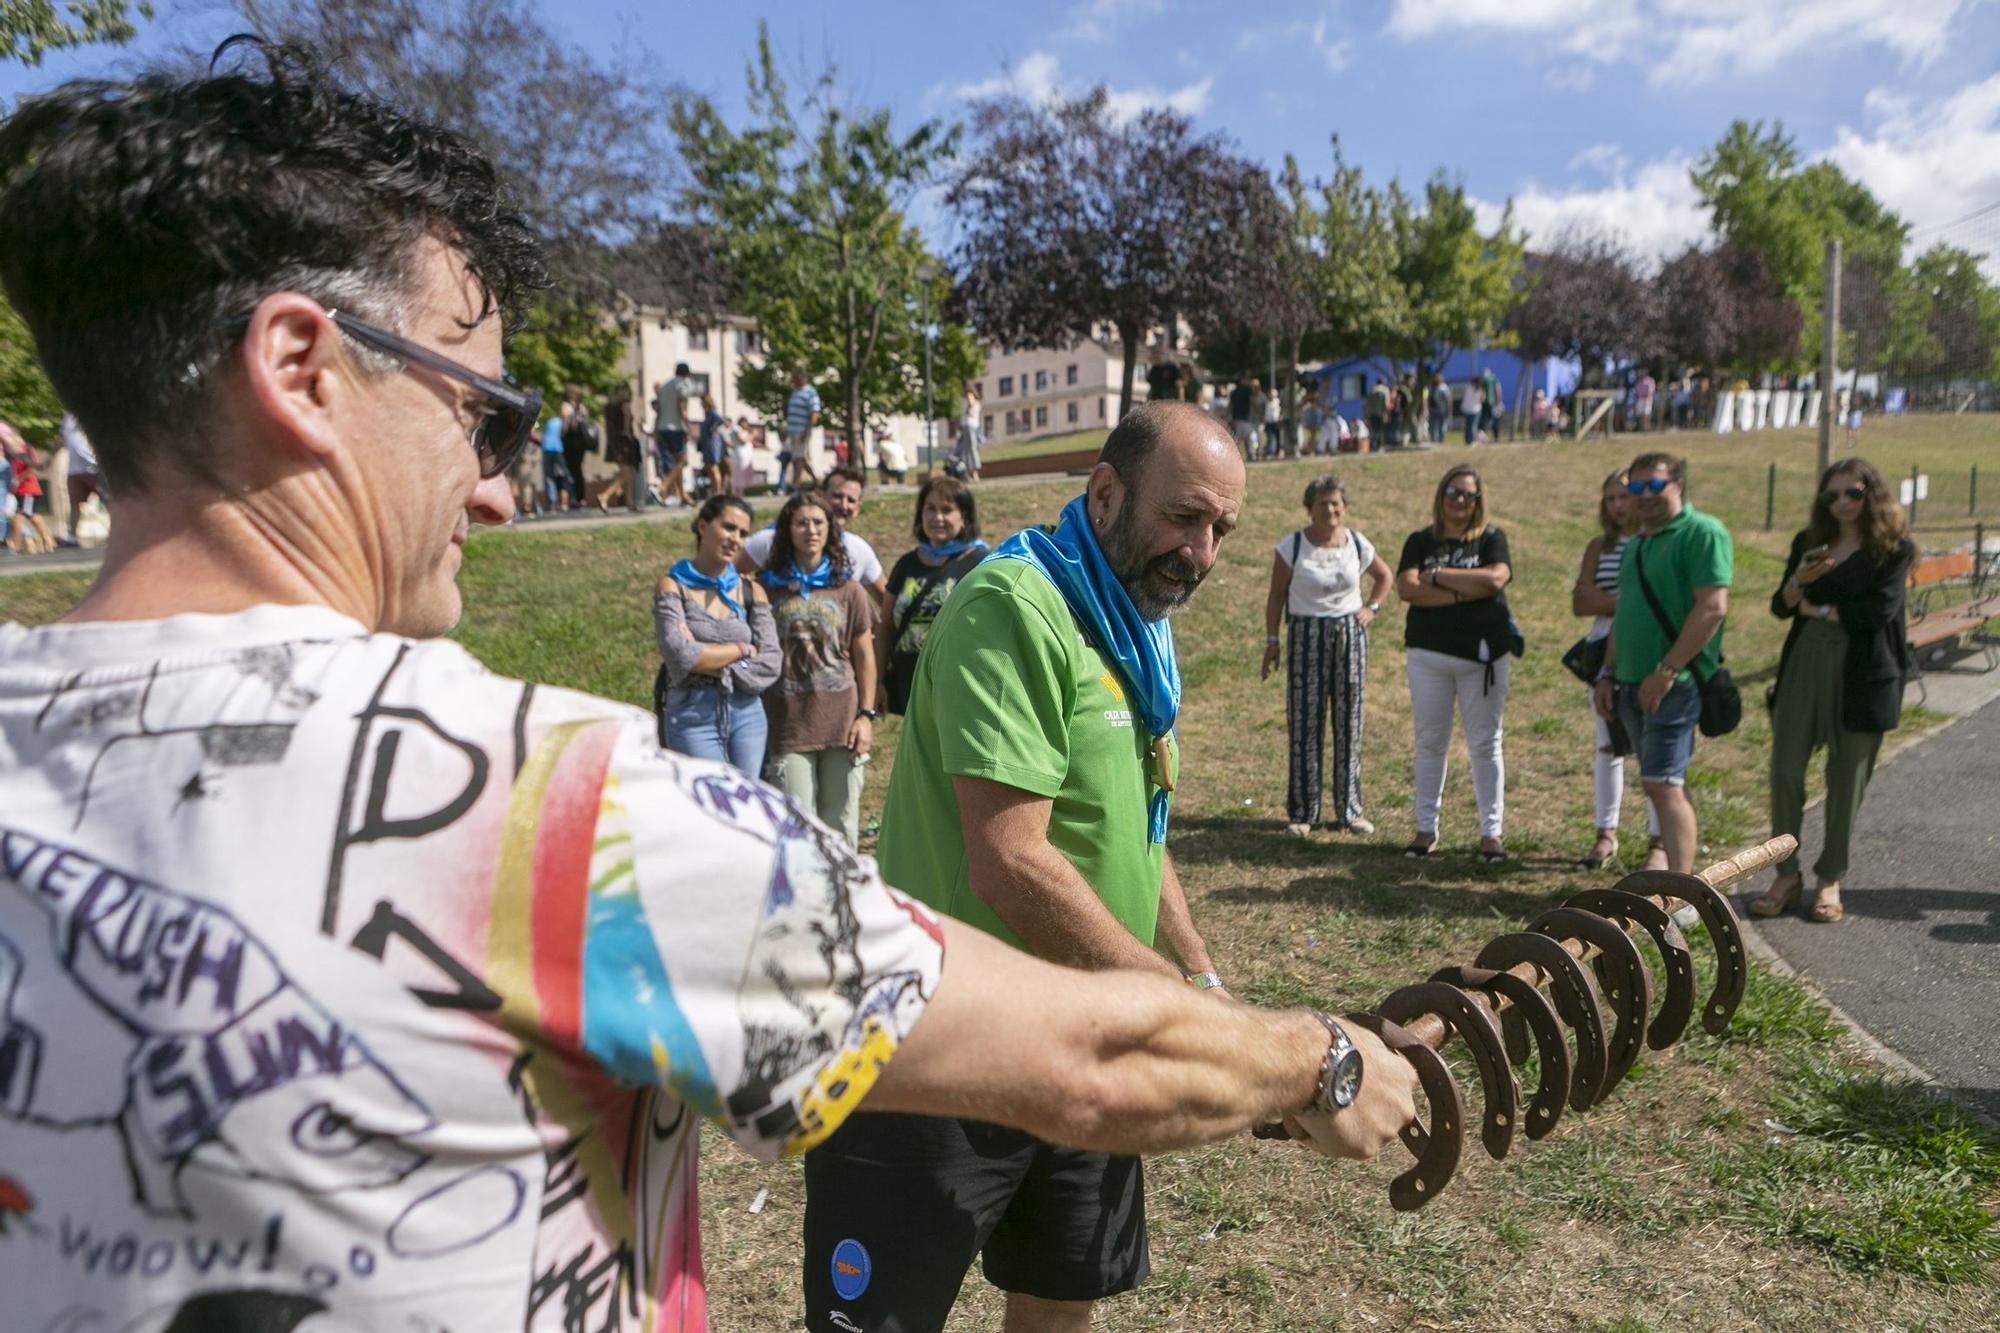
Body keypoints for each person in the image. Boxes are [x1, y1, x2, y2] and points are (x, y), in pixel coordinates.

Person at [0, 46, 1420, 1333]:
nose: (499, 488)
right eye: (480, 410)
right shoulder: (546, 804)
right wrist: (1320, 1061)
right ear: (302, 369)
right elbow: (1086, 1068)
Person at [808, 402, 1337, 1333]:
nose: (1203, 553)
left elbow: (1135, 829)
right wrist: (1189, 1011)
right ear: (1104, 493)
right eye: (1184, 516)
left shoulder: (1132, 626)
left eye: (1222, 529)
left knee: (1059, 1306)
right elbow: (1010, 861)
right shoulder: (1015, 606)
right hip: (936, 1040)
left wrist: (1201, 975)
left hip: (1090, 1035)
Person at [1748, 458, 1914, 925]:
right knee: (1784, 771)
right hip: (1804, 664)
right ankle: (1785, 873)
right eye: (1832, 495)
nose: (1841, 503)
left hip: (1864, 672)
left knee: (1847, 780)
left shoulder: (1893, 547)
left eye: (1853, 493)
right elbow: (1781, 607)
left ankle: (1830, 876)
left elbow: (1876, 614)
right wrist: (1801, 583)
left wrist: (1815, 607)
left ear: (1872, 495)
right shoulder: (1810, 543)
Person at [1592, 451, 1732, 897]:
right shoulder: (1637, 542)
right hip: (1630, 681)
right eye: (1637, 487)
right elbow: (1623, 614)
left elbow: (1712, 607)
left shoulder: (1702, 532)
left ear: (1679, 485)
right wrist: (1607, 673)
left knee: (1661, 784)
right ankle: (1681, 879)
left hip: (1675, 683)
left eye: (1655, 486)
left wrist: (1667, 670)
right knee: (1664, 784)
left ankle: (1684, 895)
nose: (1645, 496)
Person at [1395, 465, 1520, 862]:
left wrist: (1438, 577)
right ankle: (1425, 829)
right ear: (1440, 495)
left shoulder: (1491, 538)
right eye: (1454, 492)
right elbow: (1407, 589)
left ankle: (1491, 835)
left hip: (1483, 658)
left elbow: (1497, 579)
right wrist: (1467, 590)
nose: (1461, 501)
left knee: (1485, 742)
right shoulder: (1419, 539)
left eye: (1470, 495)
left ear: (1479, 501)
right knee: (1431, 741)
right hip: (1428, 656)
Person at [1263, 475, 1391, 838]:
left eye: (1336, 503)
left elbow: (1384, 576)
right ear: (1310, 508)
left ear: (1344, 507)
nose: (1330, 510)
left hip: (1349, 637)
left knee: (1349, 723)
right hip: (1306, 635)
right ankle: (1303, 813)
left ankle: (1350, 810)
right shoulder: (1292, 547)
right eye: (1323, 504)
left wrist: (1372, 608)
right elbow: (1275, 597)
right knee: (1306, 723)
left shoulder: (1357, 543)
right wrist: (1272, 640)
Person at [757, 491, 878, 847]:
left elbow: (865, 657)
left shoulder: (850, 590)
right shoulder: (766, 588)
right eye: (801, 522)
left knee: (840, 826)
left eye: (818, 522)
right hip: (788, 724)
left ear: (830, 530)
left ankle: (842, 901)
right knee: (796, 827)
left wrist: (866, 715)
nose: (810, 530)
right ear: (787, 531)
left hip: (842, 725)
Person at [1569, 468, 1662, 871]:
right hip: (1600, 654)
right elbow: (1580, 602)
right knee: (1608, 744)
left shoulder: (1656, 541)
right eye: (1610, 498)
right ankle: (1605, 833)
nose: (1618, 505)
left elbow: (1652, 598)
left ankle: (1659, 839)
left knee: (1653, 747)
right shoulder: (1599, 546)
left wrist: (1612, 600)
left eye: (1623, 496)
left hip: (1645, 649)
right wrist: (1626, 601)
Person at [655, 494, 778, 774]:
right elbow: (680, 656)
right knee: (710, 802)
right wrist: (744, 650)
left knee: (746, 805)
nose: (736, 539)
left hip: (748, 713)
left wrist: (706, 657)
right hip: (692, 715)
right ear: (702, 526)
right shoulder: (672, 587)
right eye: (728, 527)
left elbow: (771, 661)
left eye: (743, 533)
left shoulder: (751, 591)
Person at [877, 475, 987, 716]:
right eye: (930, 509)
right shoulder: (906, 564)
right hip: (910, 684)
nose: (938, 517)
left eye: (947, 510)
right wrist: (879, 682)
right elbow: (886, 627)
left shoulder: (980, 563)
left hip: (958, 687)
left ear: (964, 517)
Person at [739, 466, 888, 604]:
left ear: (857, 508)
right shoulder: (769, 541)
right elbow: (725, 575)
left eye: (851, 500)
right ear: (820, 495)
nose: (843, 505)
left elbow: (889, 604)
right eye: (837, 496)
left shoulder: (857, 550)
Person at [653, 362, 699, 500]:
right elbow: (681, 407)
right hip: (675, 428)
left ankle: (683, 495)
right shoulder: (682, 385)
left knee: (676, 463)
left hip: (662, 427)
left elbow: (659, 409)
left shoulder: (666, 385)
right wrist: (689, 426)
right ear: (687, 373)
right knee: (683, 461)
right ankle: (663, 486)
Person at [59, 410, 103, 544]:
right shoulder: (68, 418)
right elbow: (61, 440)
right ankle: (72, 538)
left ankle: (120, 533)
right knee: (74, 503)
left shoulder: (93, 411)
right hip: (74, 469)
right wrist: (48, 460)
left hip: (93, 467)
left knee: (111, 500)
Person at [603, 381, 642, 511]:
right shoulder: (625, 405)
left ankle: (630, 502)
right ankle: (605, 496)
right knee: (626, 474)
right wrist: (628, 434)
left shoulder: (609, 407)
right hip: (624, 443)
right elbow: (626, 422)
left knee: (627, 473)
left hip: (614, 443)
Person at [783, 367, 821, 493]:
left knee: (798, 458)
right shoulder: (795, 392)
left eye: (794, 378)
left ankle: (796, 485)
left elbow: (814, 414)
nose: (792, 381)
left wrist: (807, 431)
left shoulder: (810, 393)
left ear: (802, 378)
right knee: (799, 458)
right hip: (793, 431)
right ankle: (816, 481)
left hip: (802, 430)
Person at [692, 391, 730, 499]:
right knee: (709, 468)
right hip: (706, 444)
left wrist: (712, 429)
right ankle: (714, 490)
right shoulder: (707, 414)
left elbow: (720, 420)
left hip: (712, 443)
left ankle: (718, 492)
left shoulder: (713, 413)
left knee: (714, 468)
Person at [538, 404, 573, 511]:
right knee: (565, 476)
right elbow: (564, 434)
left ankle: (552, 504)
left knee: (549, 477)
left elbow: (544, 436)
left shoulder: (552, 421)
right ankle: (570, 500)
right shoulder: (563, 423)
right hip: (557, 450)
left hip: (546, 449)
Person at [954, 379, 983, 481]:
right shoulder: (973, 396)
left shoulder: (969, 395)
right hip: (969, 426)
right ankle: (969, 474)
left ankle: (974, 473)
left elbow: (970, 404)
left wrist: (968, 411)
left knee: (970, 449)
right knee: (966, 450)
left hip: (969, 426)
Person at [1228, 376, 1259, 461]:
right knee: (1249, 437)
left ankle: (1233, 456)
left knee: (1236, 439)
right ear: (1242, 381)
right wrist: (1258, 411)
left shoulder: (1233, 392)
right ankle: (1251, 454)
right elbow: (1252, 401)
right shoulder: (1247, 390)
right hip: (1245, 418)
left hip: (1236, 419)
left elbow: (1230, 406)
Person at [1427, 371, 1451, 444]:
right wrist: (1426, 409)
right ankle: (1434, 441)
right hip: (1433, 410)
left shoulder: (1444, 387)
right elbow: (1426, 399)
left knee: (1442, 426)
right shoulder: (1429, 387)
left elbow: (1448, 399)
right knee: (1433, 426)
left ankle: (1442, 440)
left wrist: (1449, 409)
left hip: (1442, 410)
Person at [1459, 376, 1484, 445]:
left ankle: (1467, 440)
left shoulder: (1467, 387)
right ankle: (1472, 441)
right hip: (1475, 410)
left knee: (1467, 426)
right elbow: (1481, 399)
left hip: (1466, 409)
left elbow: (1463, 396)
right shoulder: (1479, 389)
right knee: (1473, 426)